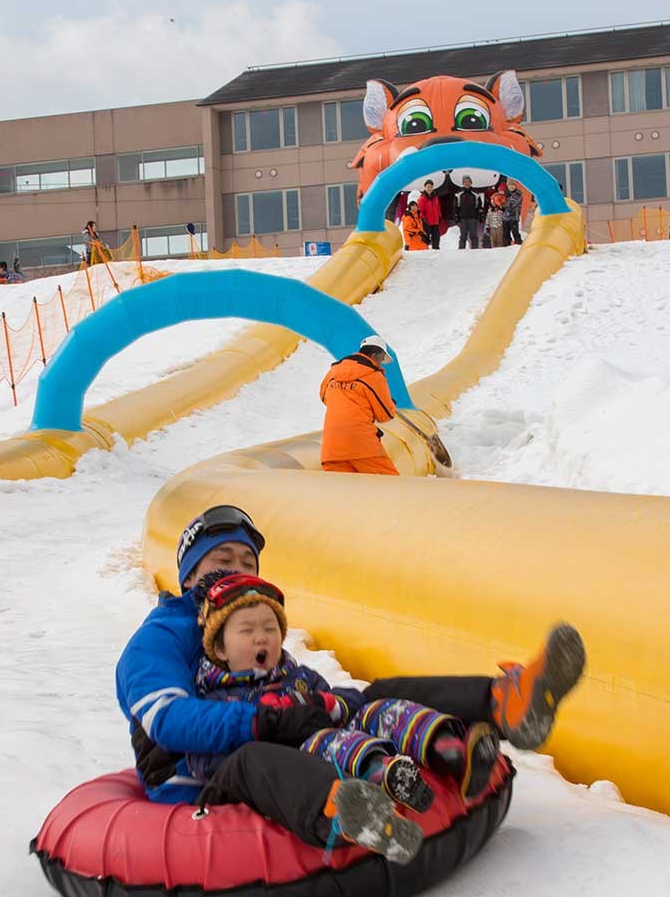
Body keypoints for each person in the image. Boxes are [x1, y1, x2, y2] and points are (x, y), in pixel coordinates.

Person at [115, 506, 586, 861]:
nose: (239, 568)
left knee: (370, 696)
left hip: (276, 741)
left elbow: (296, 685)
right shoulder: (163, 635)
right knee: (253, 756)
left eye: (248, 560)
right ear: (191, 573)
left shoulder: (249, 622)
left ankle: (504, 704)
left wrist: (330, 704)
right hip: (199, 779)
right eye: (222, 559)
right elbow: (169, 720)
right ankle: (347, 812)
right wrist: (268, 720)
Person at [187, 571, 501, 808]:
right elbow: (207, 763)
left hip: (340, 731)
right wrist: (267, 727)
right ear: (220, 647)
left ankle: (449, 749)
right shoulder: (218, 702)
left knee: (377, 709)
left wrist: (328, 703)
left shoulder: (297, 676)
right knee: (324, 741)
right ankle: (386, 773)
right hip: (304, 761)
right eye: (247, 630)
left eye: (270, 629)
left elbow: (345, 700)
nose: (261, 638)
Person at [319, 335, 399, 476]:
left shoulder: (332, 373)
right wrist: (391, 403)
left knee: (344, 495)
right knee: (390, 488)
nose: (380, 364)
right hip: (362, 447)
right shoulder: (374, 376)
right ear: (374, 356)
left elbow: (324, 397)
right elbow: (386, 415)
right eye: (381, 360)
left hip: (331, 449)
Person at [454, 177, 482, 249]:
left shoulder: (475, 193)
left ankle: (475, 251)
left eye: (468, 182)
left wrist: (481, 214)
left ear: (471, 183)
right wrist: (456, 215)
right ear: (463, 183)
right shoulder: (459, 194)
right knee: (463, 236)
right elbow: (455, 206)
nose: (467, 183)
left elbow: (479, 205)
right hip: (463, 218)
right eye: (465, 182)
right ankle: (461, 251)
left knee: (473, 236)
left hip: (473, 217)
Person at [416, 180, 442, 251]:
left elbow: (438, 208)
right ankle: (425, 252)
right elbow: (420, 211)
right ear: (425, 187)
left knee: (436, 239)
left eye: (431, 187)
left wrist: (439, 216)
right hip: (427, 223)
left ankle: (436, 252)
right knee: (425, 240)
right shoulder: (422, 198)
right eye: (428, 187)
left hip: (435, 222)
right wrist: (423, 219)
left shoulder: (435, 197)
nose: (429, 188)